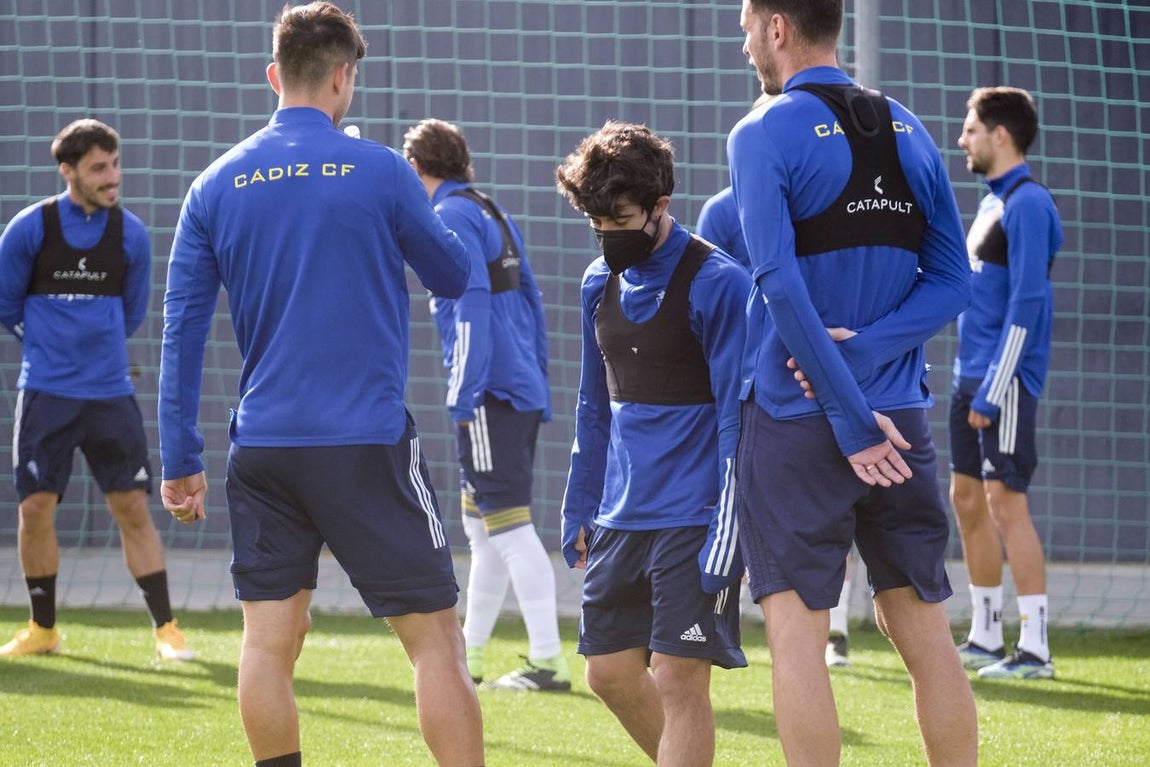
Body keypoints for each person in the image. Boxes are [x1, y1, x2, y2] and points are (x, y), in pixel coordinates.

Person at [156, 4, 483, 766]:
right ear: (343, 78)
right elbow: (454, 274)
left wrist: (179, 456)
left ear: (275, 76)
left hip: (264, 448)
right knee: (436, 639)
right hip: (364, 443)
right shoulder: (378, 169)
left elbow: (181, 329)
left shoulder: (212, 184)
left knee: (268, 644)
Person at [730, 1, 978, 764]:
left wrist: (846, 404)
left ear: (776, 26)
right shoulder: (912, 127)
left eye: (746, 26)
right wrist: (869, 360)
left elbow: (776, 280)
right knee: (927, 631)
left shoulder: (760, 131)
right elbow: (952, 280)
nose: (744, 44)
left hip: (800, 417)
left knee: (798, 637)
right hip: (901, 415)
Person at [557, 120, 749, 765]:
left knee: (677, 676)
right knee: (607, 673)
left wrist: (730, 523)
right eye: (596, 224)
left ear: (660, 206)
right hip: (620, 511)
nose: (608, 236)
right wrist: (578, 502)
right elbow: (593, 405)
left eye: (620, 220)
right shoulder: (595, 283)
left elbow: (737, 416)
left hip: (695, 515)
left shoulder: (718, 282)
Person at [0, 119, 193, 662]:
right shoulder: (29, 228)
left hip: (110, 395)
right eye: (99, 169)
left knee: (132, 506)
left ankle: (166, 629)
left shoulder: (130, 233)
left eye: (115, 165)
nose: (113, 177)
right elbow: (5, 303)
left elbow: (132, 313)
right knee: (35, 508)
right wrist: (47, 342)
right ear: (69, 172)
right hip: (46, 393)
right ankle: (43, 630)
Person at [402, 118, 570, 692]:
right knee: (484, 530)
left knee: (509, 527)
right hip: (517, 388)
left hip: (490, 394)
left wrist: (464, 391)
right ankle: (468, 658)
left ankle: (548, 661)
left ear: (416, 169)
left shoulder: (448, 215)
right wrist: (538, 380)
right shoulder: (488, 208)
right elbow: (531, 301)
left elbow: (471, 305)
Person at [696, 91, 857, 669]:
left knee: (839, 517)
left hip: (841, 386)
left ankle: (831, 632)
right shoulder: (722, 213)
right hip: (762, 396)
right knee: (752, 515)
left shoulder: (834, 202)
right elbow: (721, 308)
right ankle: (714, 621)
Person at [951, 86, 1062, 680]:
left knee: (1005, 502)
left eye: (970, 129)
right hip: (968, 377)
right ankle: (986, 636)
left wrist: (995, 386)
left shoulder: (1029, 204)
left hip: (1005, 383)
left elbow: (1027, 307)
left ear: (1001, 135)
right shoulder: (992, 203)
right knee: (966, 499)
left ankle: (1037, 650)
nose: (961, 140)